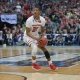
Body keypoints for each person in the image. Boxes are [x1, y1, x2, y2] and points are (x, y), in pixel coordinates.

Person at [23, 6, 57, 70]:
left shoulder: (42, 20)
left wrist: (42, 37)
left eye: (36, 10)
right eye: (34, 10)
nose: (34, 11)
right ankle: (34, 64)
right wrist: (37, 39)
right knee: (35, 47)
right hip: (28, 36)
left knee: (44, 49)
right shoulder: (29, 20)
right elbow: (27, 33)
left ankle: (50, 64)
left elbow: (43, 30)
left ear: (39, 12)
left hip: (36, 36)